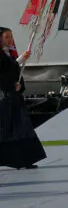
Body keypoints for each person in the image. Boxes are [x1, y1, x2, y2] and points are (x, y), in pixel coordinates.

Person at [0, 28, 44, 170]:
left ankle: (26, 159)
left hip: (15, 98)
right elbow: (3, 75)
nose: (10, 39)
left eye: (11, 37)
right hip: (4, 99)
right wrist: (19, 61)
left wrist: (18, 85)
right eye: (6, 37)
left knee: (23, 128)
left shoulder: (10, 55)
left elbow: (14, 73)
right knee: (7, 130)